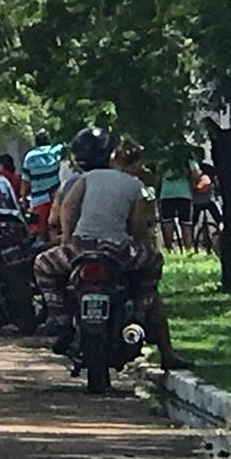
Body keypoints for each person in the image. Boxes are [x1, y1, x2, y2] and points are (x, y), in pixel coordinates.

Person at [34, 127, 189, 370]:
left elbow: (68, 209)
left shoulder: (85, 179)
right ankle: (140, 312)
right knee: (154, 263)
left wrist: (68, 239)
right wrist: (137, 243)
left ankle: (59, 317)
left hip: (81, 248)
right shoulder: (135, 186)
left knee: (43, 264)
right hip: (118, 251)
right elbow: (138, 226)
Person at [21, 129, 66, 240]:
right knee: (56, 231)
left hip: (38, 200)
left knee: (39, 234)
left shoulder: (29, 157)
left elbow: (26, 182)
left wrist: (23, 198)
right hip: (55, 198)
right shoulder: (56, 150)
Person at [159, 152, 200, 251]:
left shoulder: (163, 162)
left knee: (167, 222)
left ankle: (169, 248)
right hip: (184, 194)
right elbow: (197, 174)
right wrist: (192, 183)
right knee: (186, 223)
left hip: (167, 194)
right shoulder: (188, 161)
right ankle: (188, 249)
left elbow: (158, 176)